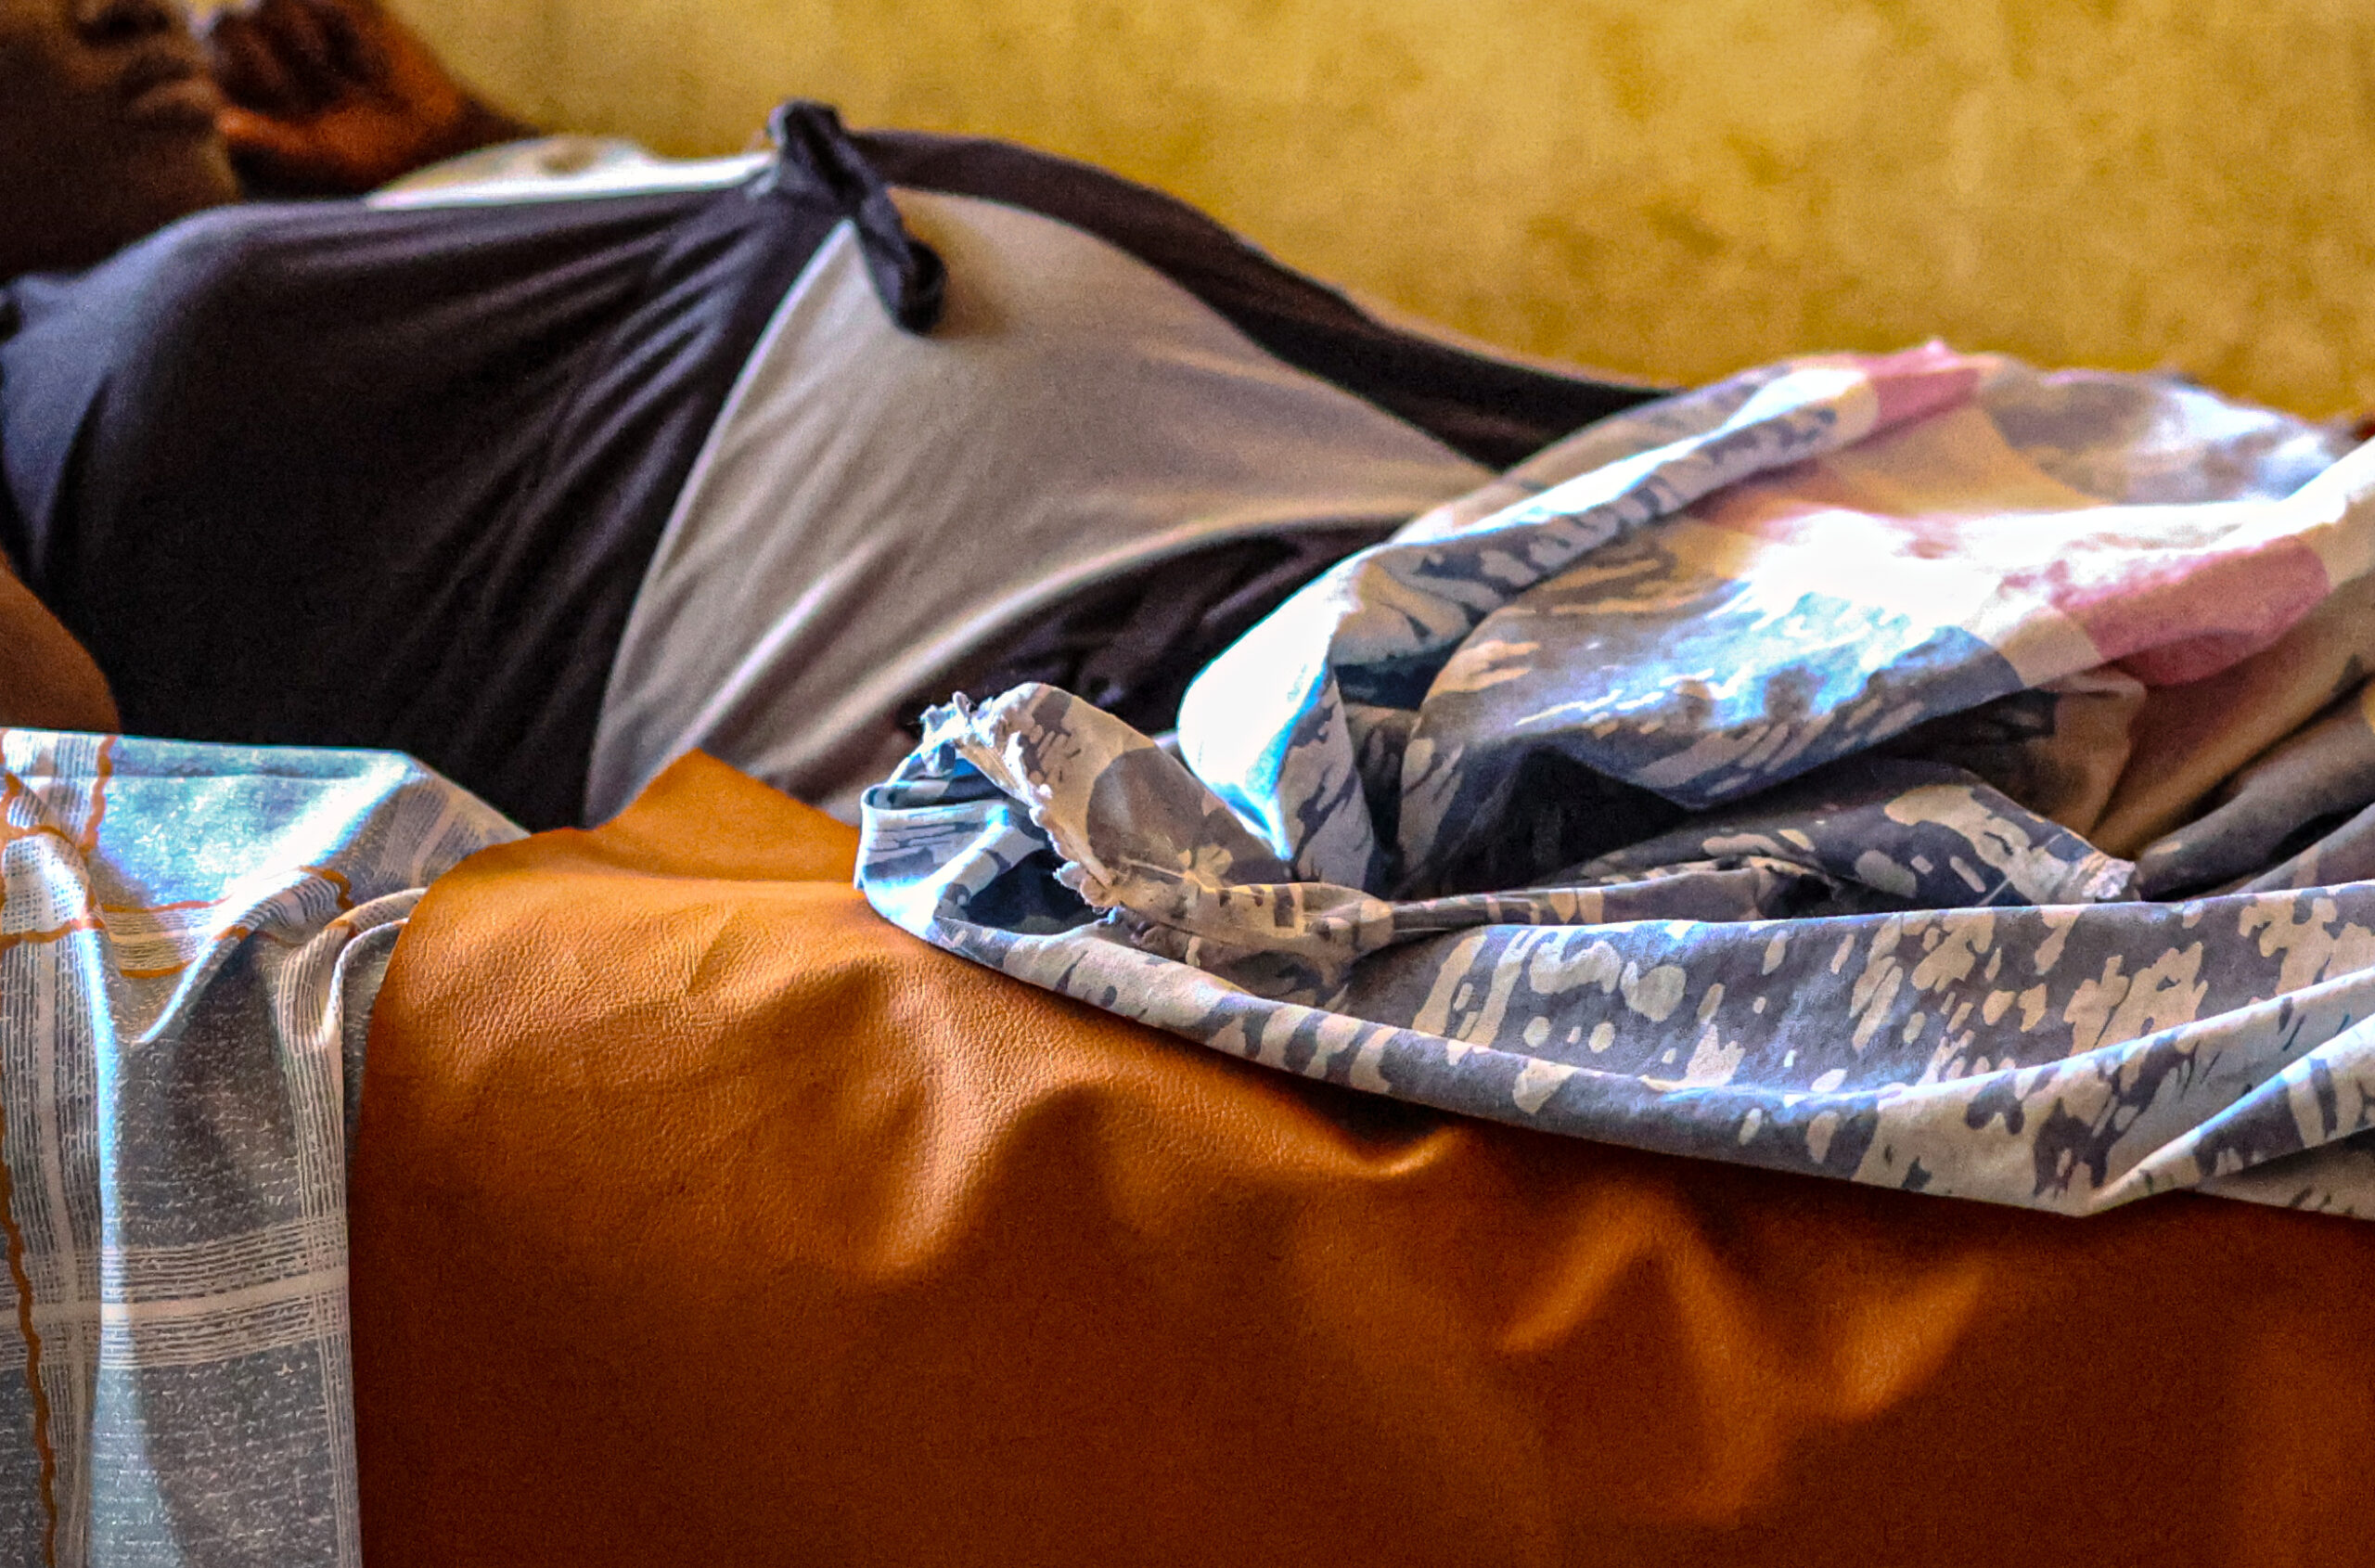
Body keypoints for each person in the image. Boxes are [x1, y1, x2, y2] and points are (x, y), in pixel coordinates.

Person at [0, 0, 1656, 828]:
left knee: (1857, 542)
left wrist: (462, 148)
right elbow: (59, 758)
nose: (131, 5)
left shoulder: (343, 210)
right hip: (1114, 680)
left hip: (1359, 454)